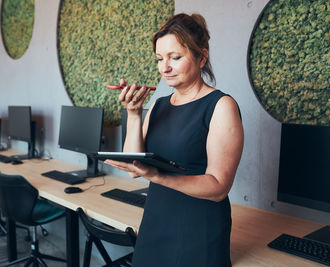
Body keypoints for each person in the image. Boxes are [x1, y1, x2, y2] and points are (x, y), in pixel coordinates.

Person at [104, 13, 244, 267]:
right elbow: (135, 169)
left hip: (199, 233)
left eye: (175, 58)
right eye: (160, 59)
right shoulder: (158, 105)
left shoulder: (221, 106)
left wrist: (157, 176)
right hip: (155, 224)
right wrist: (133, 114)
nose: (164, 68)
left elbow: (218, 187)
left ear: (202, 57)